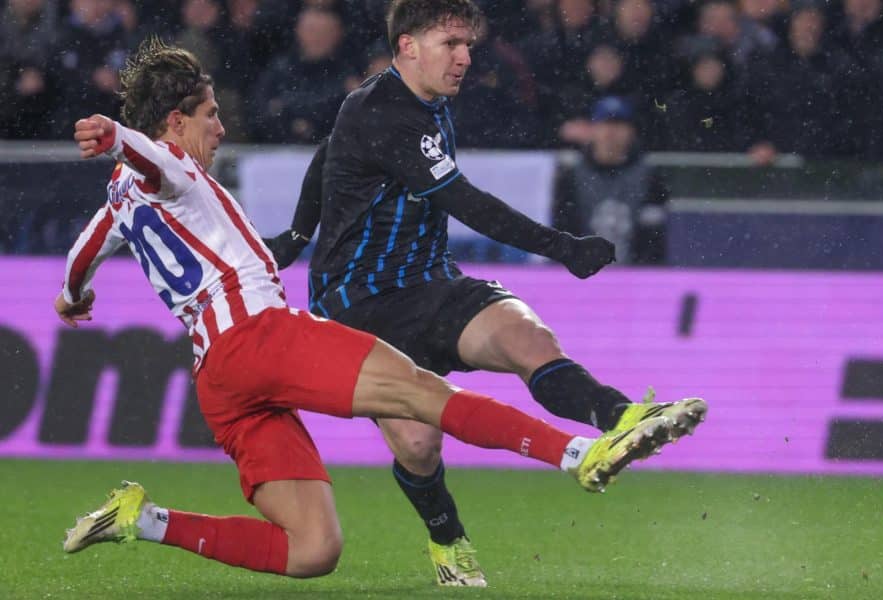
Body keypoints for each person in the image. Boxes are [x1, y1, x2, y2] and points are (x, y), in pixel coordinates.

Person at [57, 38, 707, 581]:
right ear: (174, 122)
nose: (221, 127)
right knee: (423, 394)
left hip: (220, 383)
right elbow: (146, 158)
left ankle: (142, 518)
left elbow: (83, 252)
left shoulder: (120, 200)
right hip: (258, 336)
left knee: (314, 550)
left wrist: (71, 295)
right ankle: (579, 455)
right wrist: (116, 135)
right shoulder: (163, 160)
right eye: (209, 115)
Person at [265, 0, 706, 587]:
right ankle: (447, 539)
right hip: (361, 306)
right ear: (408, 47)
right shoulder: (382, 111)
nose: (465, 57)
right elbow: (466, 203)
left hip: (431, 281)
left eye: (468, 44)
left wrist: (296, 236)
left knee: (528, 338)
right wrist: (561, 246)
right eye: (451, 44)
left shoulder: (417, 100)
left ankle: (622, 416)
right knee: (420, 446)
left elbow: (326, 153)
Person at [552, 96, 668, 265]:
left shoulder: (650, 177)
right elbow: (563, 229)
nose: (611, 132)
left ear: (631, 131)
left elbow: (654, 237)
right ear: (593, 130)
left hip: (636, 274)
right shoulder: (571, 176)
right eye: (605, 124)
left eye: (619, 125)